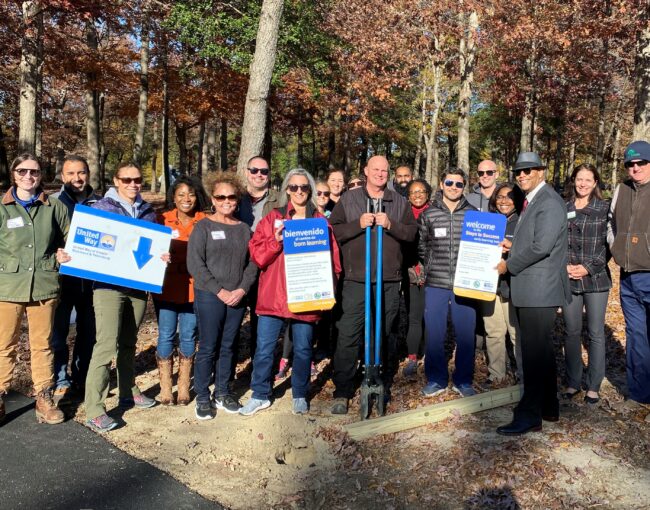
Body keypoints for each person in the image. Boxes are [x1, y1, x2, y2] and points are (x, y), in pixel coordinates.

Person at [243, 168, 341, 416]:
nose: (299, 191)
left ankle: (299, 392)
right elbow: (257, 256)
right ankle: (260, 393)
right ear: (287, 189)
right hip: (274, 296)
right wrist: (275, 241)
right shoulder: (272, 218)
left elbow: (335, 262)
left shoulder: (320, 222)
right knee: (264, 348)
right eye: (294, 187)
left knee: (304, 349)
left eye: (304, 187)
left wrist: (327, 289)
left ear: (309, 191)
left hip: (306, 296)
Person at [329, 155, 417, 414]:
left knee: (385, 333)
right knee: (349, 333)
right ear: (366, 171)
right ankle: (343, 390)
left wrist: (391, 224)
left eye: (384, 170)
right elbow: (335, 230)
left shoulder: (399, 202)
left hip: (388, 279)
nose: (380, 174)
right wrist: (359, 224)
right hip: (356, 278)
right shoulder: (350, 199)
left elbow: (412, 233)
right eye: (375, 169)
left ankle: (381, 382)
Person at [84, 162, 167, 433]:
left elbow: (151, 247)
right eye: (127, 179)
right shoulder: (100, 209)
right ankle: (95, 409)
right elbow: (88, 244)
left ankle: (128, 391)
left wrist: (161, 256)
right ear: (116, 181)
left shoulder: (148, 213)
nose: (133, 184)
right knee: (106, 344)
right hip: (107, 287)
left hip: (137, 287)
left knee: (129, 343)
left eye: (137, 179)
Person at [496, 151, 570, 436]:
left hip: (540, 290)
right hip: (532, 288)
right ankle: (549, 407)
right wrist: (512, 246)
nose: (522, 175)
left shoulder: (548, 202)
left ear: (542, 171)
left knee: (534, 354)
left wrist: (509, 264)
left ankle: (529, 415)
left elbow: (541, 247)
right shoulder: (534, 200)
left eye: (529, 170)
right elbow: (534, 242)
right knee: (542, 352)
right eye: (518, 172)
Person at [0, 153, 69, 425]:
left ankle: (44, 398)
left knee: (43, 345)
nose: (29, 176)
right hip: (7, 286)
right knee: (4, 345)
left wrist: (63, 256)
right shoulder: (2, 207)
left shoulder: (54, 206)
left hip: (44, 285)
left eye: (35, 172)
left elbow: (72, 240)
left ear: (42, 175)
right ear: (14, 174)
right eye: (23, 171)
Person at [187, 173, 258, 420]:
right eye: (221, 197)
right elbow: (195, 264)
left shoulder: (244, 229)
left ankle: (223, 391)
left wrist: (240, 290)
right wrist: (220, 291)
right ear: (212, 199)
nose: (226, 201)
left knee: (229, 345)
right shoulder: (203, 227)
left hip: (237, 297)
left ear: (237, 200)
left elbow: (253, 264)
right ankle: (203, 395)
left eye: (231, 196)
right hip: (210, 295)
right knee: (208, 346)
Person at [418, 169, 478, 397]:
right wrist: (432, 265)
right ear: (441, 184)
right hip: (436, 282)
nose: (454, 187)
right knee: (435, 333)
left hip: (465, 282)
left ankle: (463, 380)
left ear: (465, 187)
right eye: (449, 182)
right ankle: (436, 379)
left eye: (459, 184)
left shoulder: (473, 214)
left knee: (465, 334)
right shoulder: (429, 214)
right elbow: (422, 247)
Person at [50, 155, 101, 404]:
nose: (77, 178)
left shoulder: (101, 204)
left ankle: (81, 377)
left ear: (88, 174)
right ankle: (60, 379)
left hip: (91, 283)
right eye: (70, 174)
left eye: (81, 173)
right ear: (63, 176)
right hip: (61, 281)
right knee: (58, 333)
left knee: (88, 333)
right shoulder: (52, 203)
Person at [154, 175, 209, 406]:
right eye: (181, 194)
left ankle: (184, 386)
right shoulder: (161, 219)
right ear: (173, 198)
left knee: (188, 335)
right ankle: (166, 387)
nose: (187, 199)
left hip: (193, 289)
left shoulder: (205, 220)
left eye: (191, 194)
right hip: (166, 288)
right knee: (166, 334)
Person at [561, 164, 611, 405]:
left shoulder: (604, 208)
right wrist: (565, 266)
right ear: (574, 181)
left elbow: (608, 245)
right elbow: (557, 241)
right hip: (569, 278)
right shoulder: (564, 207)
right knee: (570, 331)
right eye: (579, 179)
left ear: (595, 183)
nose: (582, 184)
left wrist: (588, 267)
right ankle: (573, 381)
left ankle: (593, 385)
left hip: (596, 279)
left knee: (595, 333)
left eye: (587, 180)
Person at [608, 140, 650, 408]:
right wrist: (615, 246)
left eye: (641, 163)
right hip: (628, 276)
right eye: (630, 164)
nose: (635, 168)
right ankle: (639, 394)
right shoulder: (621, 190)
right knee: (636, 337)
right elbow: (611, 222)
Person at [482, 182, 524, 386]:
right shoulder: (488, 221)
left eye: (509, 197)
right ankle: (496, 373)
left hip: (513, 285)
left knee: (516, 333)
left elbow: (530, 252)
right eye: (499, 197)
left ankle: (524, 374)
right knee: (494, 331)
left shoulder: (523, 221)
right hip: (490, 284)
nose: (504, 201)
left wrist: (512, 249)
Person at [237, 156, 279, 357]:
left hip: (265, 266)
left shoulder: (280, 200)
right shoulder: (233, 198)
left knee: (259, 317)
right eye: (254, 170)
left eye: (264, 171)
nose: (259, 175)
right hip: (236, 264)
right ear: (247, 172)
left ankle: (257, 362)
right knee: (232, 318)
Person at [401, 178, 432, 378]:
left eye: (421, 191)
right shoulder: (403, 215)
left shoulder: (435, 213)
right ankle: (412, 357)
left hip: (434, 272)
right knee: (414, 315)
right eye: (413, 192)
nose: (417, 195)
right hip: (410, 271)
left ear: (428, 194)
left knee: (431, 316)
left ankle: (431, 355)